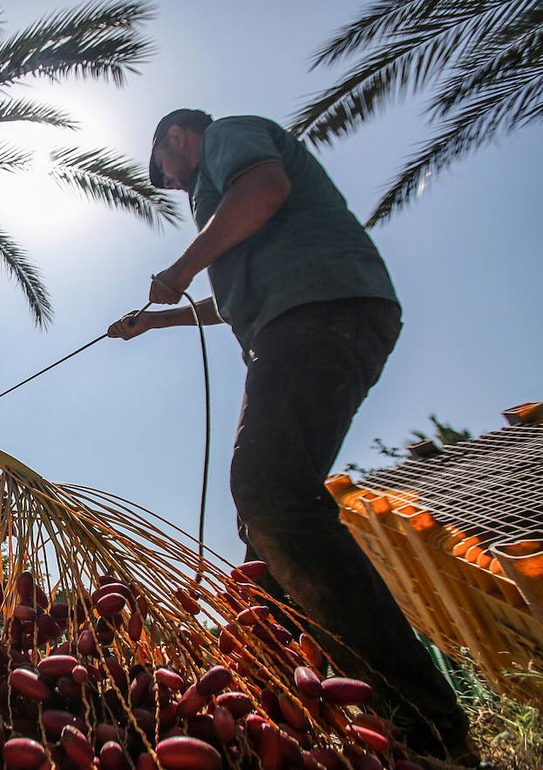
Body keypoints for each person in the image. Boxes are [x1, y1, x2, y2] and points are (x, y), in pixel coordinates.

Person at [108, 110, 475, 766]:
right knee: (263, 555)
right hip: (301, 320)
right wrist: (157, 321)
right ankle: (281, 713)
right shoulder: (231, 207)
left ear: (175, 138)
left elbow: (266, 189)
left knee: (270, 494)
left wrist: (183, 265)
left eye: (162, 172)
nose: (168, 184)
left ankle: (428, 728)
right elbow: (235, 301)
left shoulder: (228, 137)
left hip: (322, 313)